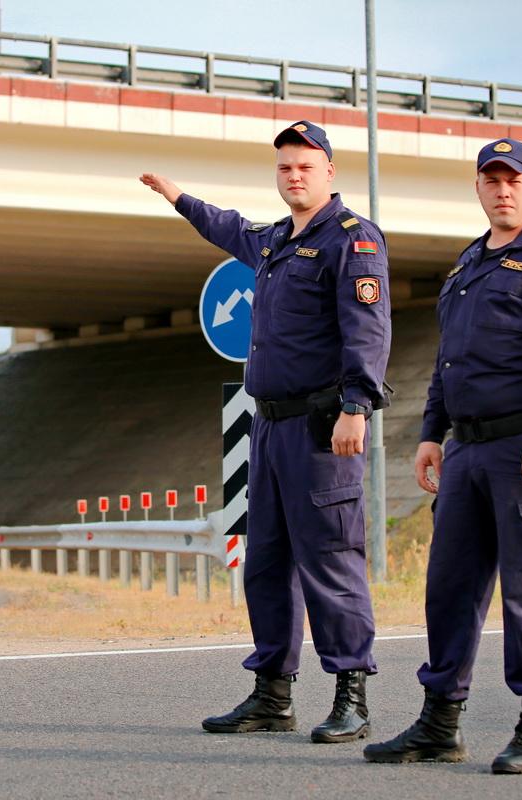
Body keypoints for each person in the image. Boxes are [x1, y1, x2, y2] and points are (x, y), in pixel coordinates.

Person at [140, 121, 391, 743]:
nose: (294, 175)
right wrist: (178, 198)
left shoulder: (351, 241)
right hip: (271, 428)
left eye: (305, 165)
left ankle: (351, 693)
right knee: (267, 565)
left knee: (331, 559)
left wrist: (357, 406)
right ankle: (272, 695)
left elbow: (368, 328)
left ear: (329, 172)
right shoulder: (275, 240)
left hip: (322, 427)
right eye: (284, 167)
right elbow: (228, 226)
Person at [363, 138, 522, 774]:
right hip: (466, 449)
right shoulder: (467, 265)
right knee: (449, 588)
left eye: (513, 179)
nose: (503, 190)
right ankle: (440, 723)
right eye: (491, 180)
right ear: (478, 188)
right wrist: (432, 433)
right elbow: (449, 361)